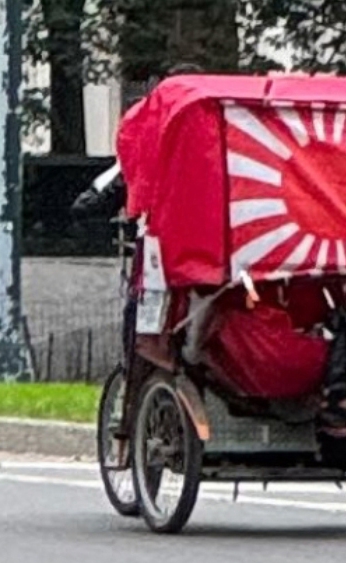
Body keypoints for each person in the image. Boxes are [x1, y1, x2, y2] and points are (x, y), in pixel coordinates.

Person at [71, 62, 204, 362]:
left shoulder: (149, 128)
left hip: (158, 237)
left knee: (145, 306)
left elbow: (100, 194)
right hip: (213, 241)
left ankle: (141, 362)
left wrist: (92, 214)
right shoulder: (214, 125)